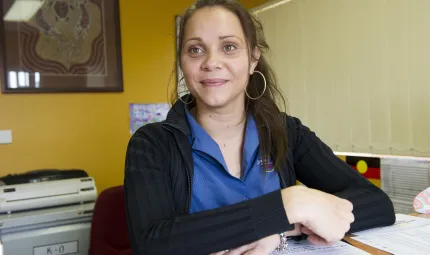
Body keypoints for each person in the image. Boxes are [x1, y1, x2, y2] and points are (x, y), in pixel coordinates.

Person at [123, 0, 395, 254]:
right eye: (195, 49)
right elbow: (151, 243)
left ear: (253, 58)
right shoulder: (151, 143)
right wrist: (287, 206)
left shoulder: (288, 133)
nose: (211, 62)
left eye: (229, 46)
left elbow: (377, 204)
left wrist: (281, 232)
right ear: (182, 61)